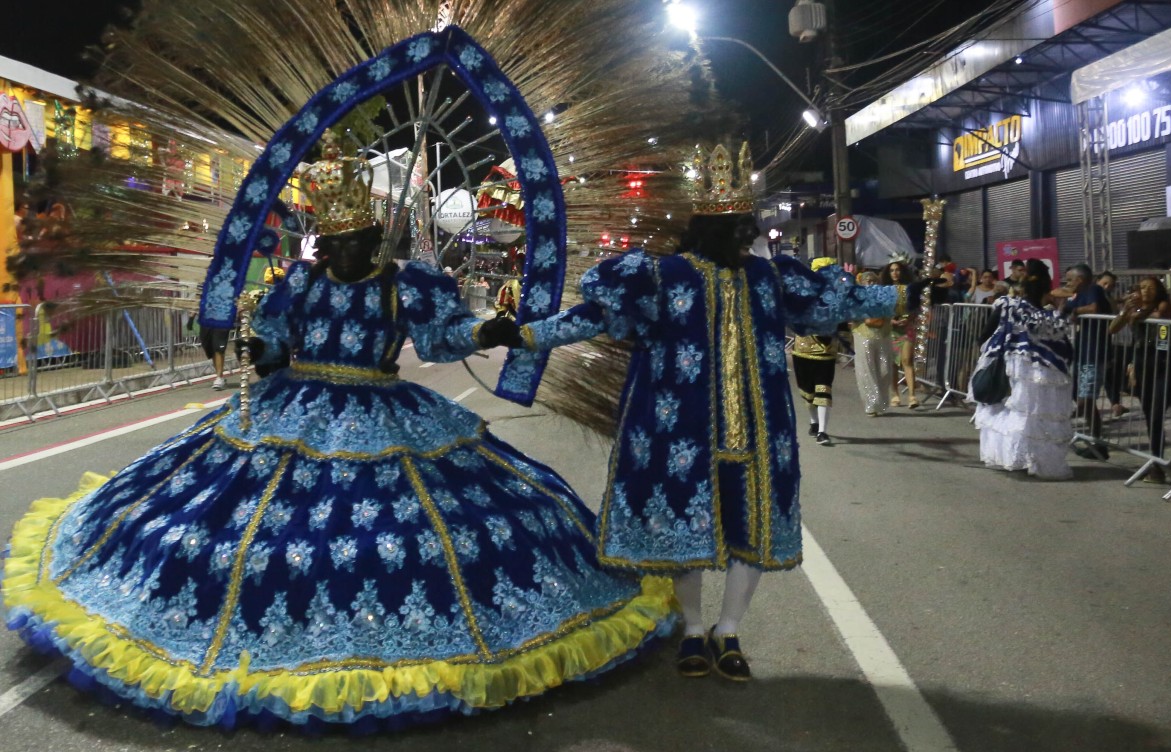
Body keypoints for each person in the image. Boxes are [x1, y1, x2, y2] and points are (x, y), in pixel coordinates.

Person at [2, 140, 675, 728]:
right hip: (291, 408)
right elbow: (270, 337)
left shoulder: (406, 286)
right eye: (333, 244)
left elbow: (441, 343)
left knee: (430, 529)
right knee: (242, 525)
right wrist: (260, 351)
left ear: (372, 240)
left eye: (353, 244)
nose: (341, 254)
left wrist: (484, 331)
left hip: (384, 409)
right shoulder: (300, 282)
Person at [496, 146, 898, 680]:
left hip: (759, 427)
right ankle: (692, 627)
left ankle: (729, 628)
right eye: (732, 227)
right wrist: (527, 334)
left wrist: (897, 295)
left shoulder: (768, 277)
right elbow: (593, 316)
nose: (742, 236)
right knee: (685, 528)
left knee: (749, 527)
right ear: (707, 227)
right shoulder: (662, 277)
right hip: (678, 429)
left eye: (744, 226)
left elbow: (833, 307)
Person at [971, 259, 1074, 480]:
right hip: (1044, 374)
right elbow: (1066, 348)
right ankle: (1036, 461)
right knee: (1036, 418)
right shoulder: (1052, 318)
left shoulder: (1007, 305)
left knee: (1009, 414)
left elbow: (983, 335)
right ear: (1047, 290)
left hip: (1011, 369)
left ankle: (1013, 458)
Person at [1109, 277, 1171, 482]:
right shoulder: (1134, 310)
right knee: (1149, 415)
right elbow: (1113, 328)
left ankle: (1157, 463)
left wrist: (1135, 311)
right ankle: (1156, 462)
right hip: (1141, 364)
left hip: (1163, 364)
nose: (1145, 291)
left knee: (1157, 414)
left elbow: (1156, 316)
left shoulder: (1162, 306)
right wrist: (1125, 310)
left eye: (1150, 288)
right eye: (1142, 287)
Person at [1056, 264, 1113, 459]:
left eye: (1070, 280)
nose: (1068, 283)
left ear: (1080, 279)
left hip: (1094, 353)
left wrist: (1076, 311)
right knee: (1086, 402)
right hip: (1083, 352)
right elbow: (1064, 308)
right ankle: (1097, 443)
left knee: (1085, 400)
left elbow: (1094, 308)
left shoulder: (1094, 290)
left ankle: (1059, 425)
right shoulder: (1078, 294)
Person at [790, 257, 845, 443]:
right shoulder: (802, 293)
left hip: (825, 350)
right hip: (803, 349)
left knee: (823, 389)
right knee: (807, 392)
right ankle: (814, 422)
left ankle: (822, 431)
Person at [849, 270, 895, 418]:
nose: (871, 283)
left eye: (873, 281)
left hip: (884, 334)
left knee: (885, 370)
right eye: (867, 281)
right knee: (867, 370)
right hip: (864, 335)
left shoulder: (886, 297)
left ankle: (881, 402)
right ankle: (871, 404)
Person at [882, 260, 919, 408]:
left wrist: (909, 318)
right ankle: (895, 394)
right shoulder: (885, 290)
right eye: (892, 270)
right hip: (890, 330)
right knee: (892, 364)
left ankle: (912, 396)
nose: (895, 273)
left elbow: (916, 308)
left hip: (907, 328)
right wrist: (890, 320)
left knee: (907, 361)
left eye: (897, 270)